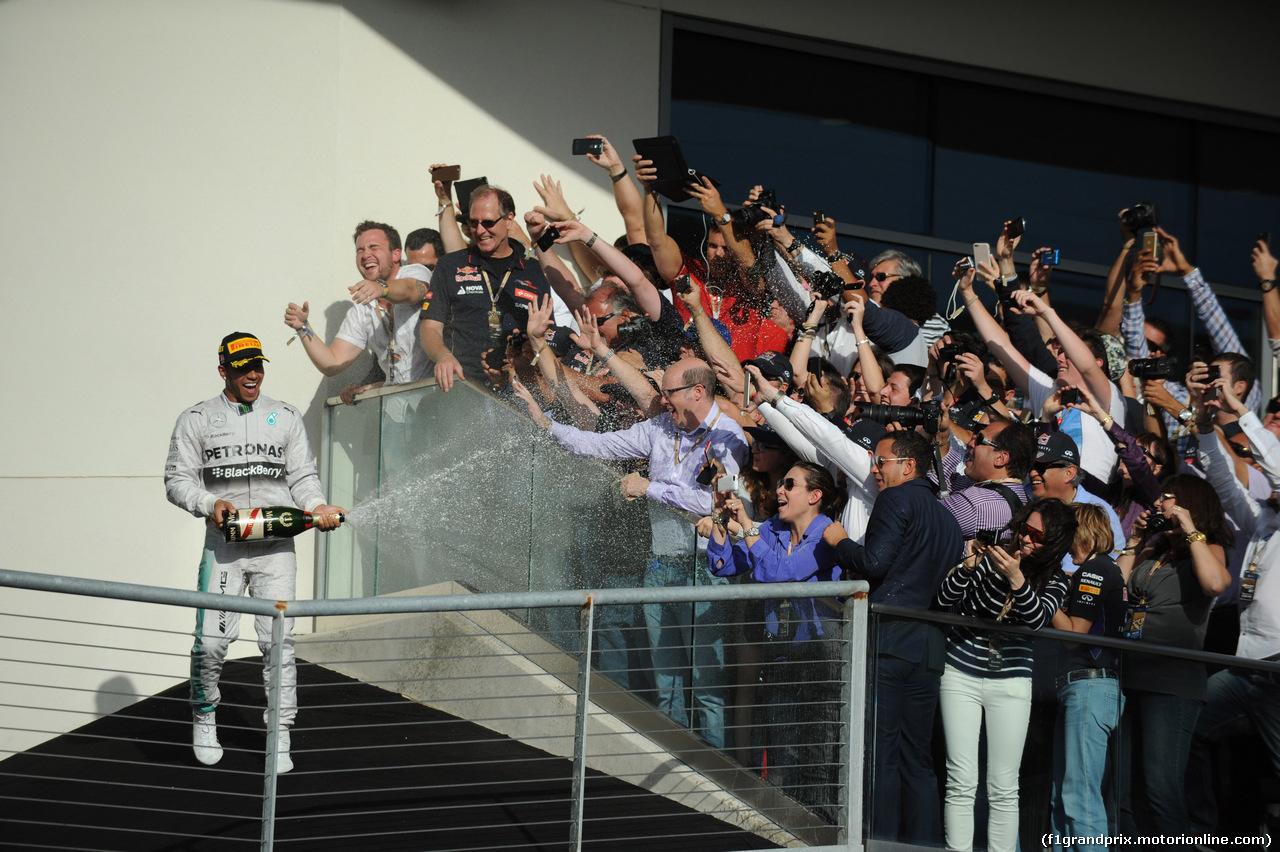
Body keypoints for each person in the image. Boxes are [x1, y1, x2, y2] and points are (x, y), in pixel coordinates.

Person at [516, 358, 748, 748]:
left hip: (706, 568)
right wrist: (548, 425)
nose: (661, 400)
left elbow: (712, 503)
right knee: (667, 682)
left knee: (706, 683)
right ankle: (671, 768)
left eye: (669, 393)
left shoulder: (727, 437)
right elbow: (602, 444)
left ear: (697, 392)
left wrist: (649, 488)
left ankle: (713, 782)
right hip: (659, 567)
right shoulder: (660, 427)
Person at [164, 333, 344, 772]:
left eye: (258, 365)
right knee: (211, 643)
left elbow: (302, 476)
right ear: (223, 369)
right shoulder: (196, 419)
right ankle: (204, 715)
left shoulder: (284, 416)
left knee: (278, 643)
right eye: (243, 367)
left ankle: (279, 733)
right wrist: (209, 504)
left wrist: (317, 506)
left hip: (275, 549)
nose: (253, 374)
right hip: (224, 548)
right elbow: (176, 481)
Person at [824, 429, 965, 844]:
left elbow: (873, 562)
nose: (874, 470)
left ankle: (878, 839)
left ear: (908, 466)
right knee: (916, 756)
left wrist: (839, 541)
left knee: (880, 752)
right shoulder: (947, 516)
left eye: (881, 462)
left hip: (889, 641)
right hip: (928, 647)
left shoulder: (896, 499)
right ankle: (921, 843)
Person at [705, 461, 847, 811]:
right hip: (781, 653)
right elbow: (724, 565)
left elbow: (780, 573)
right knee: (783, 751)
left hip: (821, 656)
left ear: (815, 496)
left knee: (816, 752)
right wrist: (722, 519)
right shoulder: (772, 530)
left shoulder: (827, 534)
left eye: (789, 484)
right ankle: (781, 827)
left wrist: (749, 526)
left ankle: (821, 830)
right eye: (780, 483)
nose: (779, 490)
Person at [934, 498, 1074, 852]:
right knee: (961, 781)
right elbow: (947, 599)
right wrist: (969, 564)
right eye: (1026, 529)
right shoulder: (993, 556)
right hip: (960, 673)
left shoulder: (1057, 579)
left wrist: (1016, 578)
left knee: (1003, 786)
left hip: (1011, 682)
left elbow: (1037, 619)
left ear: (1055, 543)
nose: (1027, 539)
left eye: (1038, 537)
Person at [1115, 475, 1231, 836]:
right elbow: (1117, 591)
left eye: (1167, 498)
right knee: (1126, 791)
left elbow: (1215, 584)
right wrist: (1135, 540)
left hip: (1171, 683)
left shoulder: (1208, 548)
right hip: (1129, 673)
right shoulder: (1154, 549)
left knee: (1161, 790)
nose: (1158, 504)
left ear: (1189, 505)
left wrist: (1191, 530)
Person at [285, 220, 435, 405]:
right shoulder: (362, 307)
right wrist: (303, 328)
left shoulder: (415, 272)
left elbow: (412, 291)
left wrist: (382, 288)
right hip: (395, 411)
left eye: (373, 247)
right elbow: (332, 362)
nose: (365, 255)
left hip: (434, 399)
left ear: (396, 254)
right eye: (360, 250)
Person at [1049, 504, 1128, 852]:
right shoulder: (1105, 568)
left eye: (1072, 537)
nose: (1067, 546)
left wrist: (1039, 597)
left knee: (1079, 797)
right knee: (1066, 798)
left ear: (1090, 536)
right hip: (1091, 687)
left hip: (1090, 686)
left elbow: (1074, 634)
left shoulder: (1094, 569)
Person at [420, 185, 552, 391]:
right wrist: (443, 356)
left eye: (488, 223)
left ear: (509, 220)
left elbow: (546, 334)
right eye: (474, 223)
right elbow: (430, 328)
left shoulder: (532, 268)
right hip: (463, 387)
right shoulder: (450, 265)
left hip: (519, 390)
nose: (480, 231)